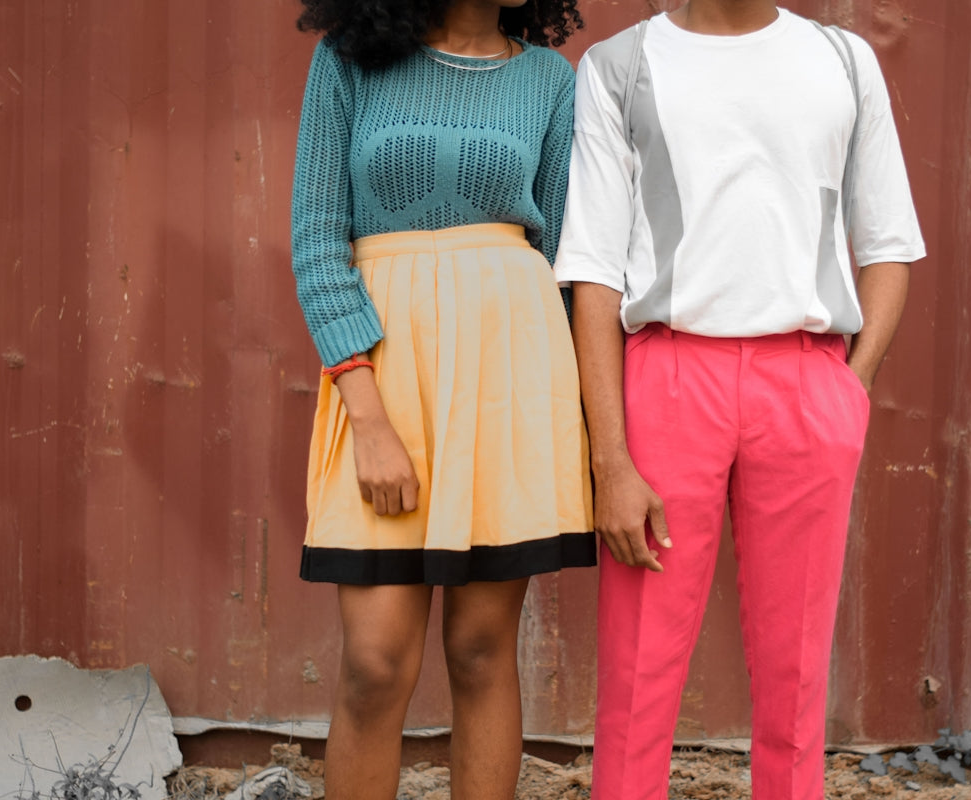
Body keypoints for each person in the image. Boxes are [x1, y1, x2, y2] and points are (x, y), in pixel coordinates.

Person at [554, 2, 926, 799]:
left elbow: (890, 246)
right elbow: (593, 269)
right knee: (637, 673)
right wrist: (608, 456)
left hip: (807, 385)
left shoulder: (844, 61)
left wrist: (845, 392)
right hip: (665, 378)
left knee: (797, 676)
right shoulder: (619, 67)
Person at [289, 1, 593, 797]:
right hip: (386, 377)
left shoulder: (548, 81)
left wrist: (570, 417)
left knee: (483, 650)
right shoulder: (350, 59)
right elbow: (318, 239)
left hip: (510, 375)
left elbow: (564, 254)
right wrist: (367, 412)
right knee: (374, 660)